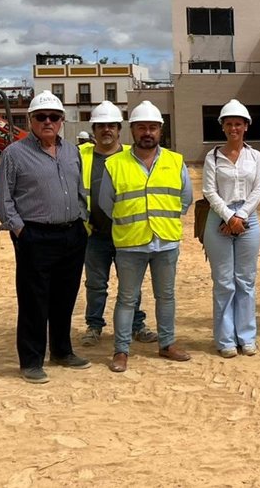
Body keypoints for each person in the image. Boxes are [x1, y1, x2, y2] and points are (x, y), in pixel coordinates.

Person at [0, 90, 90, 384]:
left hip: (72, 234)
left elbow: (79, 190)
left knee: (65, 297)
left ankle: (62, 351)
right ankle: (31, 361)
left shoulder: (71, 151)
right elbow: (2, 199)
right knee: (34, 300)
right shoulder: (14, 154)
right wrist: (21, 230)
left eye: (54, 117)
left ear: (62, 120)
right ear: (31, 120)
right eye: (41, 117)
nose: (48, 121)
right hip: (35, 236)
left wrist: (82, 219)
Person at [99, 100, 193, 373]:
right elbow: (106, 203)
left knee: (166, 296)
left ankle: (167, 344)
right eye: (142, 127)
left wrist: (163, 219)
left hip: (166, 241)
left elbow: (185, 199)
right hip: (130, 243)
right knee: (127, 299)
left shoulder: (176, 161)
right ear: (132, 130)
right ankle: (121, 350)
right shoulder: (115, 164)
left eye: (153, 127)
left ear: (160, 130)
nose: (147, 133)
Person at [79, 100, 156, 347]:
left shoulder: (132, 156)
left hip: (127, 233)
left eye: (111, 125)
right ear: (93, 129)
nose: (106, 130)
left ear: (119, 129)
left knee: (130, 285)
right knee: (95, 284)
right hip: (94, 233)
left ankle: (136, 325)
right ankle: (94, 326)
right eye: (101, 126)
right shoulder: (82, 156)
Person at [202, 99, 260, 358]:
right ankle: (226, 339)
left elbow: (258, 189)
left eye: (238, 124)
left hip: (248, 219)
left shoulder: (255, 156)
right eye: (229, 124)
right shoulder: (213, 157)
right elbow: (209, 191)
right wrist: (229, 217)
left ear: (246, 126)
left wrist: (240, 216)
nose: (233, 128)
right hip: (219, 218)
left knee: (245, 281)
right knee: (224, 282)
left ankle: (247, 337)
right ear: (222, 126)